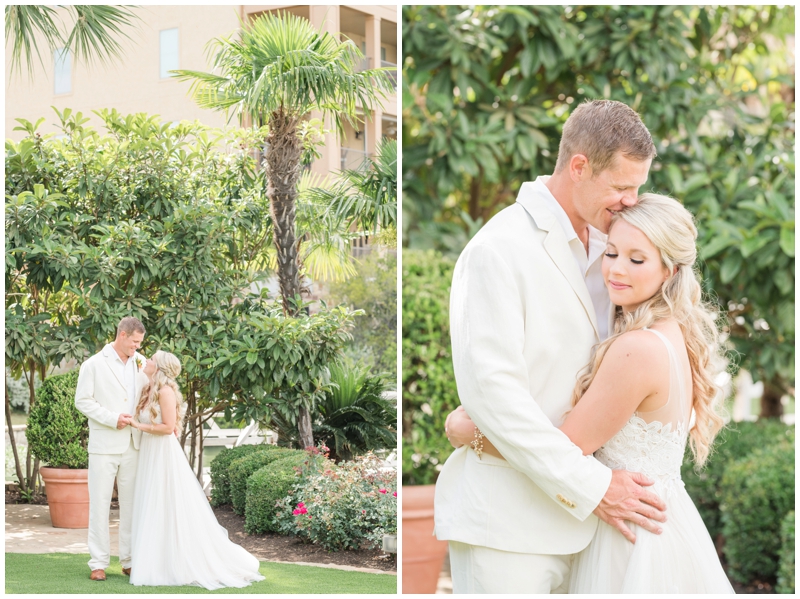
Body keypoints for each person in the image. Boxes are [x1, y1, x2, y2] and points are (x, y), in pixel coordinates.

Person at [434, 99, 667, 594]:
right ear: (579, 166)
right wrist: (595, 488)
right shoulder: (497, 251)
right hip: (508, 530)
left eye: (639, 188)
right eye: (622, 187)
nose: (632, 201)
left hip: (594, 540)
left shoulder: (614, 252)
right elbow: (499, 401)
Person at [445, 194, 734, 593]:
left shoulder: (637, 348)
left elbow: (565, 448)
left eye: (637, 259)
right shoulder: (672, 335)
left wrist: (470, 433)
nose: (615, 270)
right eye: (612, 253)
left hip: (629, 541)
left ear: (669, 271)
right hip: (657, 526)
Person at [128, 351, 264, 590]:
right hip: (149, 451)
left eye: (151, 359)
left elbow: (168, 427)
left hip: (162, 452)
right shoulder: (147, 388)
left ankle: (173, 562)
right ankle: (155, 558)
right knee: (152, 502)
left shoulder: (165, 392)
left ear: (159, 367)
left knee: (166, 502)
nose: (146, 361)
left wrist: (137, 424)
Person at [74, 316, 147, 581]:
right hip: (104, 445)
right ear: (123, 335)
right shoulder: (93, 364)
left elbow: (150, 395)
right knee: (100, 504)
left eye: (140, 343)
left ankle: (128, 560)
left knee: (131, 506)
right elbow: (83, 401)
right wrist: (111, 418)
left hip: (133, 444)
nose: (137, 348)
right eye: (135, 342)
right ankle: (98, 563)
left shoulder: (141, 363)